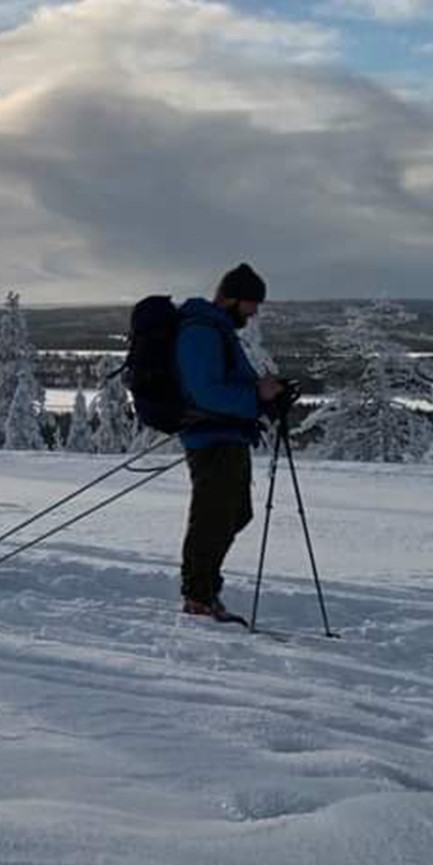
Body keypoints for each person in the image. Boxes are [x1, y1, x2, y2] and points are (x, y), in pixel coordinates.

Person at [176, 263, 287, 620]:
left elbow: (223, 384)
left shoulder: (218, 329)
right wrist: (257, 395)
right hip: (212, 438)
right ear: (229, 298)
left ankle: (204, 591)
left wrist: (264, 394)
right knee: (214, 517)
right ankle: (199, 597)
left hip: (227, 435)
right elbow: (207, 393)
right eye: (250, 304)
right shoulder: (202, 332)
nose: (253, 313)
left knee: (234, 514)